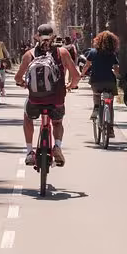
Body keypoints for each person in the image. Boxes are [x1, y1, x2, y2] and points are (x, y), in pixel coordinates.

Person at [15, 24, 81, 167]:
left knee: (27, 117)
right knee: (57, 122)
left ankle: (29, 152)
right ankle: (57, 146)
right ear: (53, 37)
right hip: (56, 100)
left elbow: (17, 77)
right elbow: (76, 76)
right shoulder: (62, 53)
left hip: (35, 100)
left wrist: (23, 83)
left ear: (36, 36)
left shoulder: (29, 54)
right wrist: (70, 85)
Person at [80, 30, 120, 138]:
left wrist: (82, 74)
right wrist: (117, 75)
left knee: (96, 94)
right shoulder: (112, 54)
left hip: (96, 81)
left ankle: (96, 107)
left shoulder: (92, 52)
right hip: (110, 81)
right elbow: (116, 68)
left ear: (98, 41)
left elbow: (87, 65)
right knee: (110, 104)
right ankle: (110, 129)